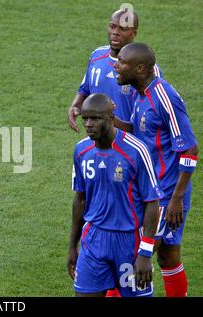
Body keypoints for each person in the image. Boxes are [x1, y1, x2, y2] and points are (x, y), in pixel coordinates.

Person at [114, 42, 199, 297]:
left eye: (122, 63)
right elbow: (141, 134)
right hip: (153, 190)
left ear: (140, 68)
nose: (116, 66)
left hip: (165, 195)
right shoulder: (140, 94)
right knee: (168, 256)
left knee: (137, 256)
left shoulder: (164, 96)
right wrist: (108, 120)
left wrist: (176, 199)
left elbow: (190, 149)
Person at [68, 93, 163, 297]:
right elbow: (80, 199)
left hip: (128, 242)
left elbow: (152, 203)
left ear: (111, 118)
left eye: (95, 118)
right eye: (85, 118)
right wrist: (72, 246)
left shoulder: (136, 150)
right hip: (93, 240)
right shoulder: (81, 151)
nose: (88, 124)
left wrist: (145, 253)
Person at [67, 8, 162, 133]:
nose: (115, 32)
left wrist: (111, 120)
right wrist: (75, 106)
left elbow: (152, 113)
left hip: (129, 144)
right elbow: (85, 89)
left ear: (133, 33)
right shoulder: (97, 55)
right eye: (112, 26)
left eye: (122, 29)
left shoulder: (145, 67)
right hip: (97, 141)